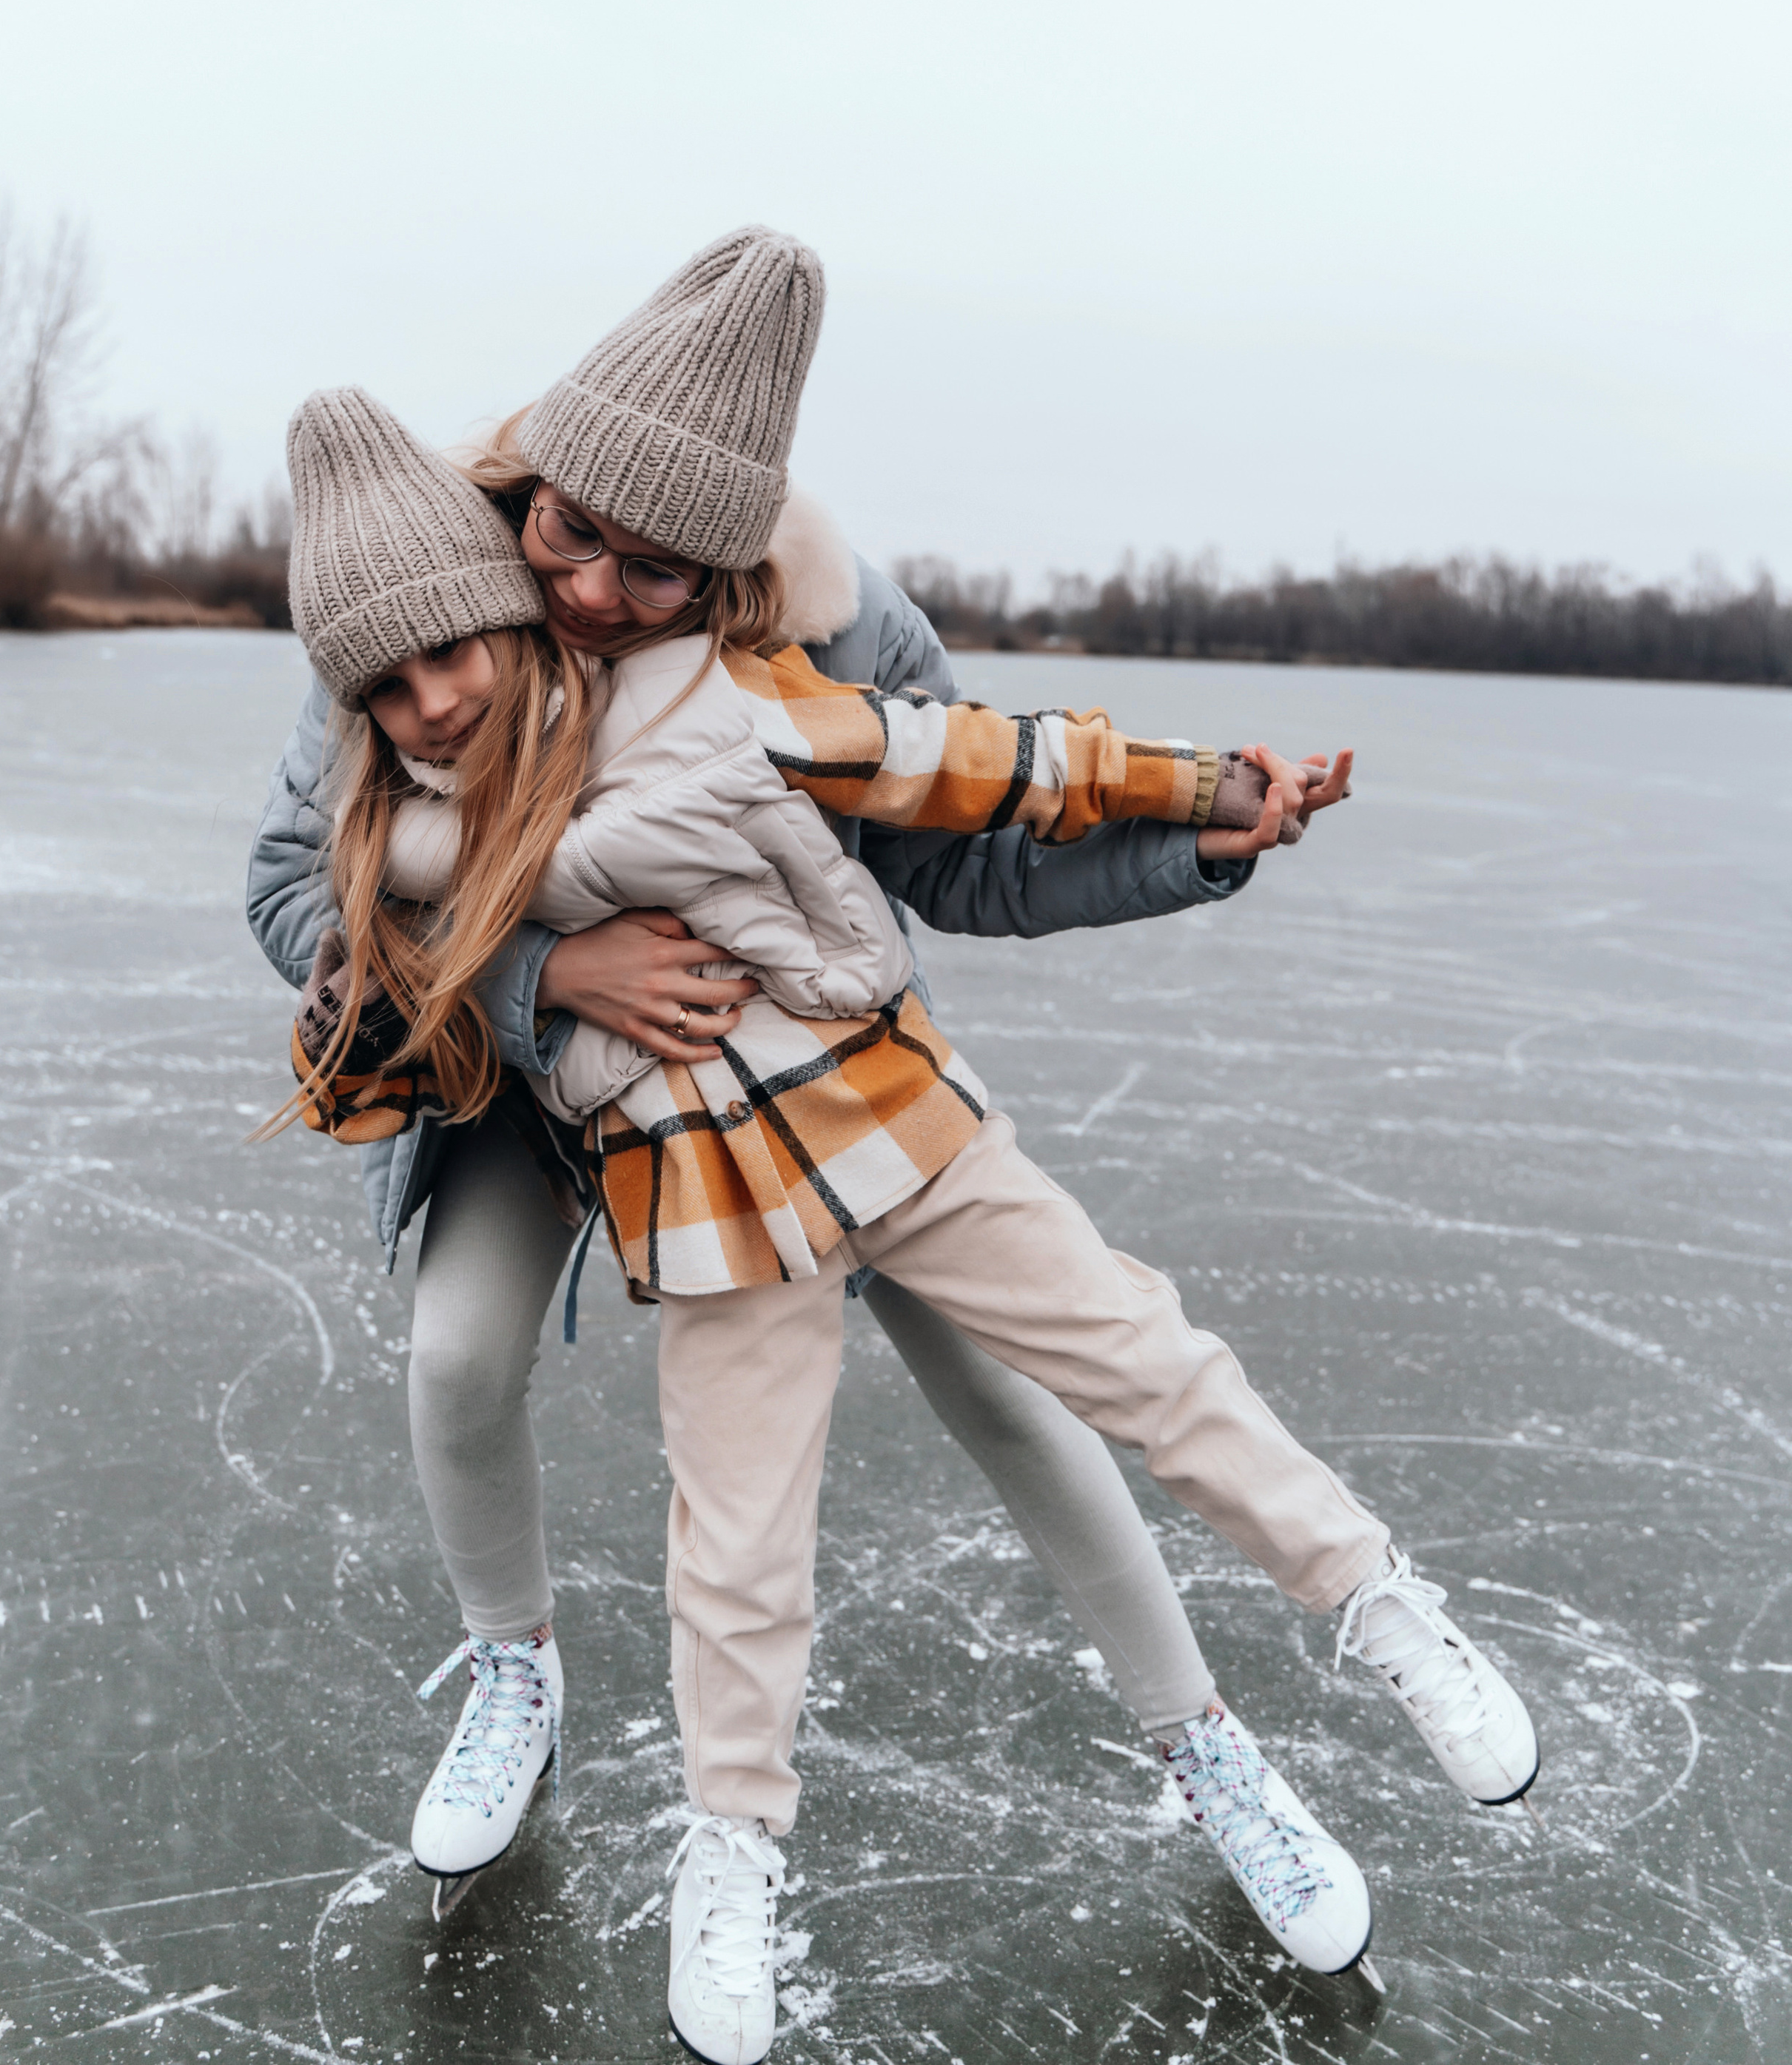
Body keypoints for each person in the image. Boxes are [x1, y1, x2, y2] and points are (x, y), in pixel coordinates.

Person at [254, 232, 1537, 2061]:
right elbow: (311, 891)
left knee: (1050, 1382)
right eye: (567, 543)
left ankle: (1215, 1737)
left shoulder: (796, 640)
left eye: (653, 563)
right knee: (490, 1370)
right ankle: (527, 1681)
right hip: (543, 1088)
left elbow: (967, 798)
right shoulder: (417, 609)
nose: (597, 591)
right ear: (521, 497)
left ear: (727, 553)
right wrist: (552, 975)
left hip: (833, 1084)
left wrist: (1196, 821)